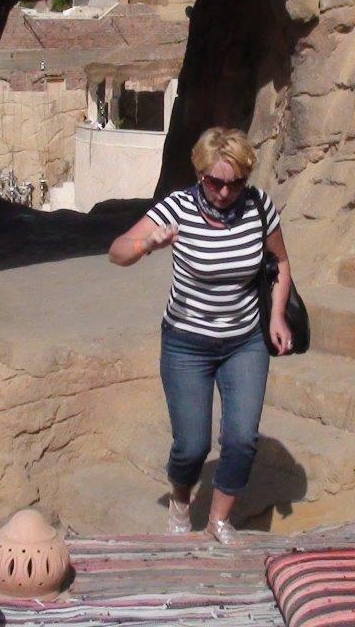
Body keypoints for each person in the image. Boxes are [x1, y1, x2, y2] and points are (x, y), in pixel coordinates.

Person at [109, 127, 294, 544]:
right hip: (186, 343)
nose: (225, 192)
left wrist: (277, 317)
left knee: (242, 439)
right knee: (192, 446)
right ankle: (180, 501)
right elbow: (117, 251)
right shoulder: (177, 207)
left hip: (245, 340)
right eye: (215, 182)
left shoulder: (259, 206)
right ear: (199, 174)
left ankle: (218, 521)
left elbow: (280, 262)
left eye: (236, 183)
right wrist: (147, 244)